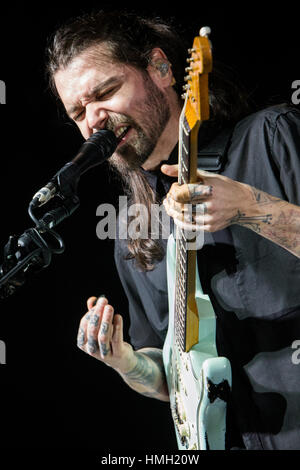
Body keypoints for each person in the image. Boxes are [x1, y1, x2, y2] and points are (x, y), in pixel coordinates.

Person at [46, 10, 300, 450]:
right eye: (77, 112)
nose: (93, 121)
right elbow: (175, 377)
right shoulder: (131, 230)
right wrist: (125, 362)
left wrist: (253, 208)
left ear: (161, 69)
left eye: (105, 92)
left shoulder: (272, 138)